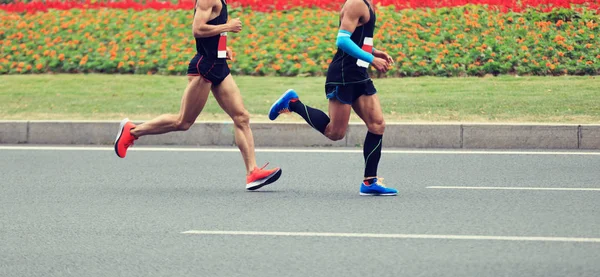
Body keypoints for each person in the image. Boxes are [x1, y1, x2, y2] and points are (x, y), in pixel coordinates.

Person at [114, 0, 281, 190]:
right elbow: (198, 29)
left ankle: (253, 173)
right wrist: (228, 26)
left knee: (241, 117)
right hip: (205, 68)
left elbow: (211, 33)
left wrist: (221, 50)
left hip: (218, 65)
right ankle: (133, 131)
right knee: (183, 122)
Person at [268, 0, 396, 196]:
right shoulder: (356, 3)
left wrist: (375, 51)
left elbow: (357, 36)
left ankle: (370, 182)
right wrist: (372, 59)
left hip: (359, 75)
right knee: (335, 133)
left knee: (377, 125)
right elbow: (342, 40)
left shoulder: (367, 3)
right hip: (343, 77)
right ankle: (293, 103)